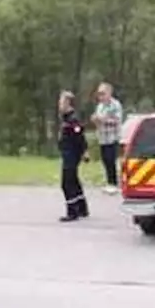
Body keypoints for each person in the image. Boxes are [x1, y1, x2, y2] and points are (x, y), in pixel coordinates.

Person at [57, 91, 90, 222]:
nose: (59, 105)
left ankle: (72, 211)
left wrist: (84, 152)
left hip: (72, 154)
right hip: (67, 153)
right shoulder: (65, 118)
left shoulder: (73, 119)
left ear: (67, 103)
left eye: (61, 102)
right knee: (74, 180)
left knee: (67, 183)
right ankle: (82, 207)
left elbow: (80, 137)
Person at [91, 82, 124, 194]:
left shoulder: (115, 105)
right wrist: (95, 120)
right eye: (99, 94)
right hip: (102, 138)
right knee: (105, 160)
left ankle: (114, 184)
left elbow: (117, 121)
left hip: (113, 137)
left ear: (109, 93)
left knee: (111, 160)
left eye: (103, 93)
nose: (100, 96)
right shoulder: (100, 106)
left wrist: (103, 120)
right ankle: (109, 182)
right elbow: (98, 120)